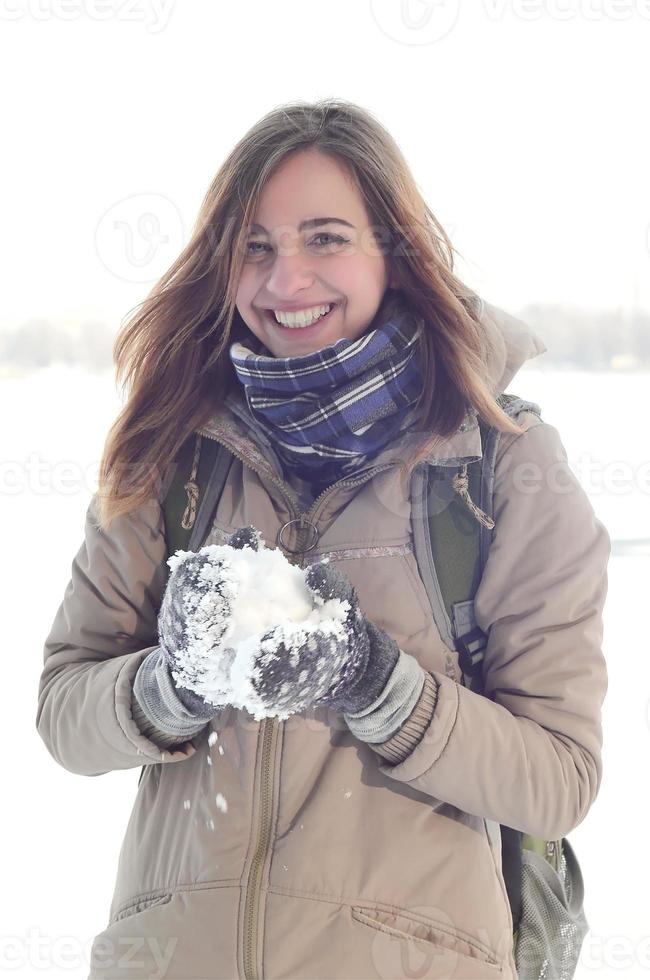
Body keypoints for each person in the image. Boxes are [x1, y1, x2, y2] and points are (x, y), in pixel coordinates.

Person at [36, 98, 610, 980]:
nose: (285, 280)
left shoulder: (500, 462)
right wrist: (171, 683)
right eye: (255, 247)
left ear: (395, 251)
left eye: (326, 238)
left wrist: (376, 683)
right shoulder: (172, 449)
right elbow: (66, 715)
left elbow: (560, 777)